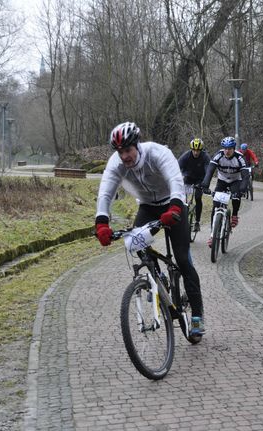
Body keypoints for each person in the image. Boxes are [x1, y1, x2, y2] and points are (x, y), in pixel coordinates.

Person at [95, 122, 205, 336]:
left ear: (137, 145)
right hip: (147, 206)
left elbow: (175, 180)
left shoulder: (157, 153)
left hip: (173, 203)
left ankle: (197, 316)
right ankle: (158, 279)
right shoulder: (116, 164)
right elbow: (105, 193)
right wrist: (101, 222)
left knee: (182, 259)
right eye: (120, 151)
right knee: (136, 243)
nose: (124, 156)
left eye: (127, 150)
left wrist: (174, 207)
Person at [200, 136, 249, 247]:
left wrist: (243, 189)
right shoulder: (219, 155)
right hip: (222, 180)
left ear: (233, 148)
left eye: (230, 149)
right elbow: (210, 170)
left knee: (236, 197)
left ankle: (235, 215)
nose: (227, 151)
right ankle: (213, 235)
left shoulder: (240, 158)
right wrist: (205, 184)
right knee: (216, 205)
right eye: (225, 148)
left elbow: (245, 176)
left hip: (235, 181)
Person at [177, 138, 211, 232]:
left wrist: (205, 184)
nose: (196, 152)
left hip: (200, 179)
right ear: (191, 149)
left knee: (197, 198)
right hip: (188, 177)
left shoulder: (205, 157)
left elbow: (208, 171)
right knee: (182, 198)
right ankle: (182, 215)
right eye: (194, 150)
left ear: (201, 150)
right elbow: (176, 166)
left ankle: (197, 222)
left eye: (198, 151)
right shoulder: (186, 155)